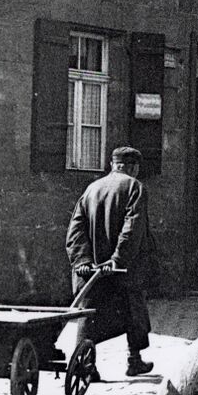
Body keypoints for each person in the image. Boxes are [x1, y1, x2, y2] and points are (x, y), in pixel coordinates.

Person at [65, 144, 154, 378]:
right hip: (122, 269)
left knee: (89, 313)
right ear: (133, 168)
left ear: (113, 165)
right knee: (133, 310)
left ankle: (86, 365)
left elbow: (76, 229)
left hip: (93, 269)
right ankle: (134, 360)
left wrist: (82, 260)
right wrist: (117, 259)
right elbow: (132, 228)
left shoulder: (92, 188)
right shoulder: (135, 187)